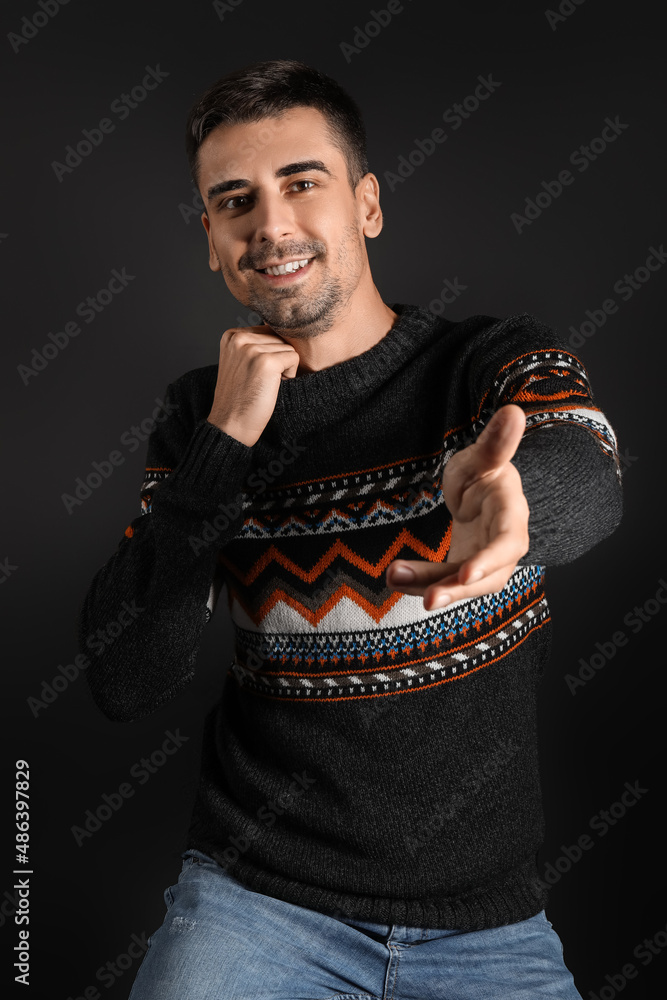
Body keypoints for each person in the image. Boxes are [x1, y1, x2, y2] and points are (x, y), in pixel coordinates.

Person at [77, 59, 623, 999]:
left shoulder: (488, 362)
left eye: (302, 182)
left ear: (366, 205)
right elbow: (127, 675)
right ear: (209, 238)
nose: (272, 224)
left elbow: (587, 468)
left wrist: (519, 505)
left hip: (487, 928)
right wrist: (223, 447)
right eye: (234, 200)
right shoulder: (197, 416)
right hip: (257, 908)